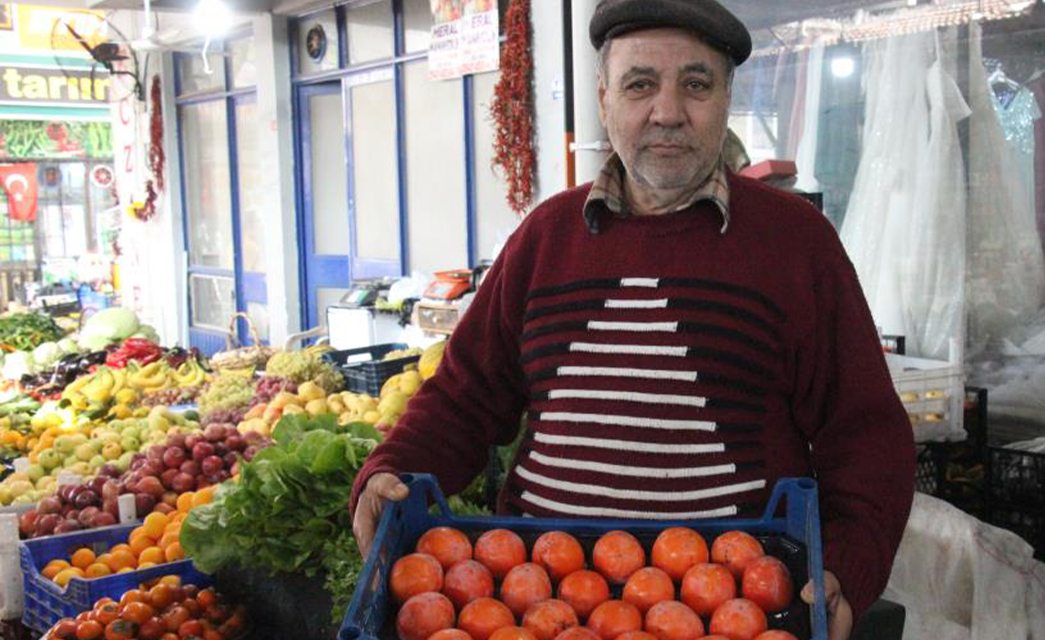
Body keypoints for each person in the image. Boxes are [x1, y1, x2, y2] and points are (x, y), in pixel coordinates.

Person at [350, 0, 916, 636]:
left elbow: (865, 431)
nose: (668, 111)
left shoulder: (795, 243)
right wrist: (390, 472)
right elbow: (464, 395)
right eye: (640, 83)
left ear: (727, 97)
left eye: (696, 84)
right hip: (538, 609)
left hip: (737, 612)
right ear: (603, 96)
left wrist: (844, 565)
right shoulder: (546, 237)